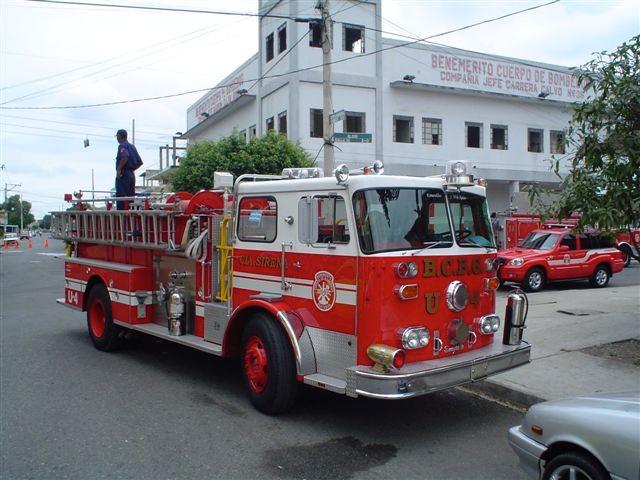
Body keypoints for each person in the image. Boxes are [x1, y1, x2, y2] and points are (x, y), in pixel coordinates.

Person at [115, 129, 137, 210]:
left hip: (124, 175)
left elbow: (125, 156)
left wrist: (119, 169)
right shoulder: (132, 147)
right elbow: (139, 162)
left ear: (119, 136)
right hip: (131, 174)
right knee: (130, 198)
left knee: (122, 198)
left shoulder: (122, 146)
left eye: (117, 136)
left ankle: (122, 218)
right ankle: (131, 216)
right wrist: (131, 170)